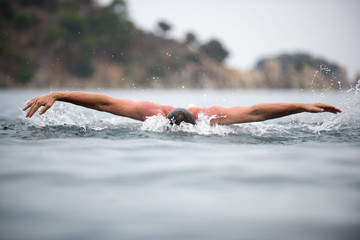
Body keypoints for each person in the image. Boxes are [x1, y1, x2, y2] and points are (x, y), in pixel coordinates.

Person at [23, 91, 341, 125]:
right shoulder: (151, 111)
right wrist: (59, 95)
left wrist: (300, 106)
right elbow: (105, 102)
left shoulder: (211, 116)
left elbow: (257, 111)